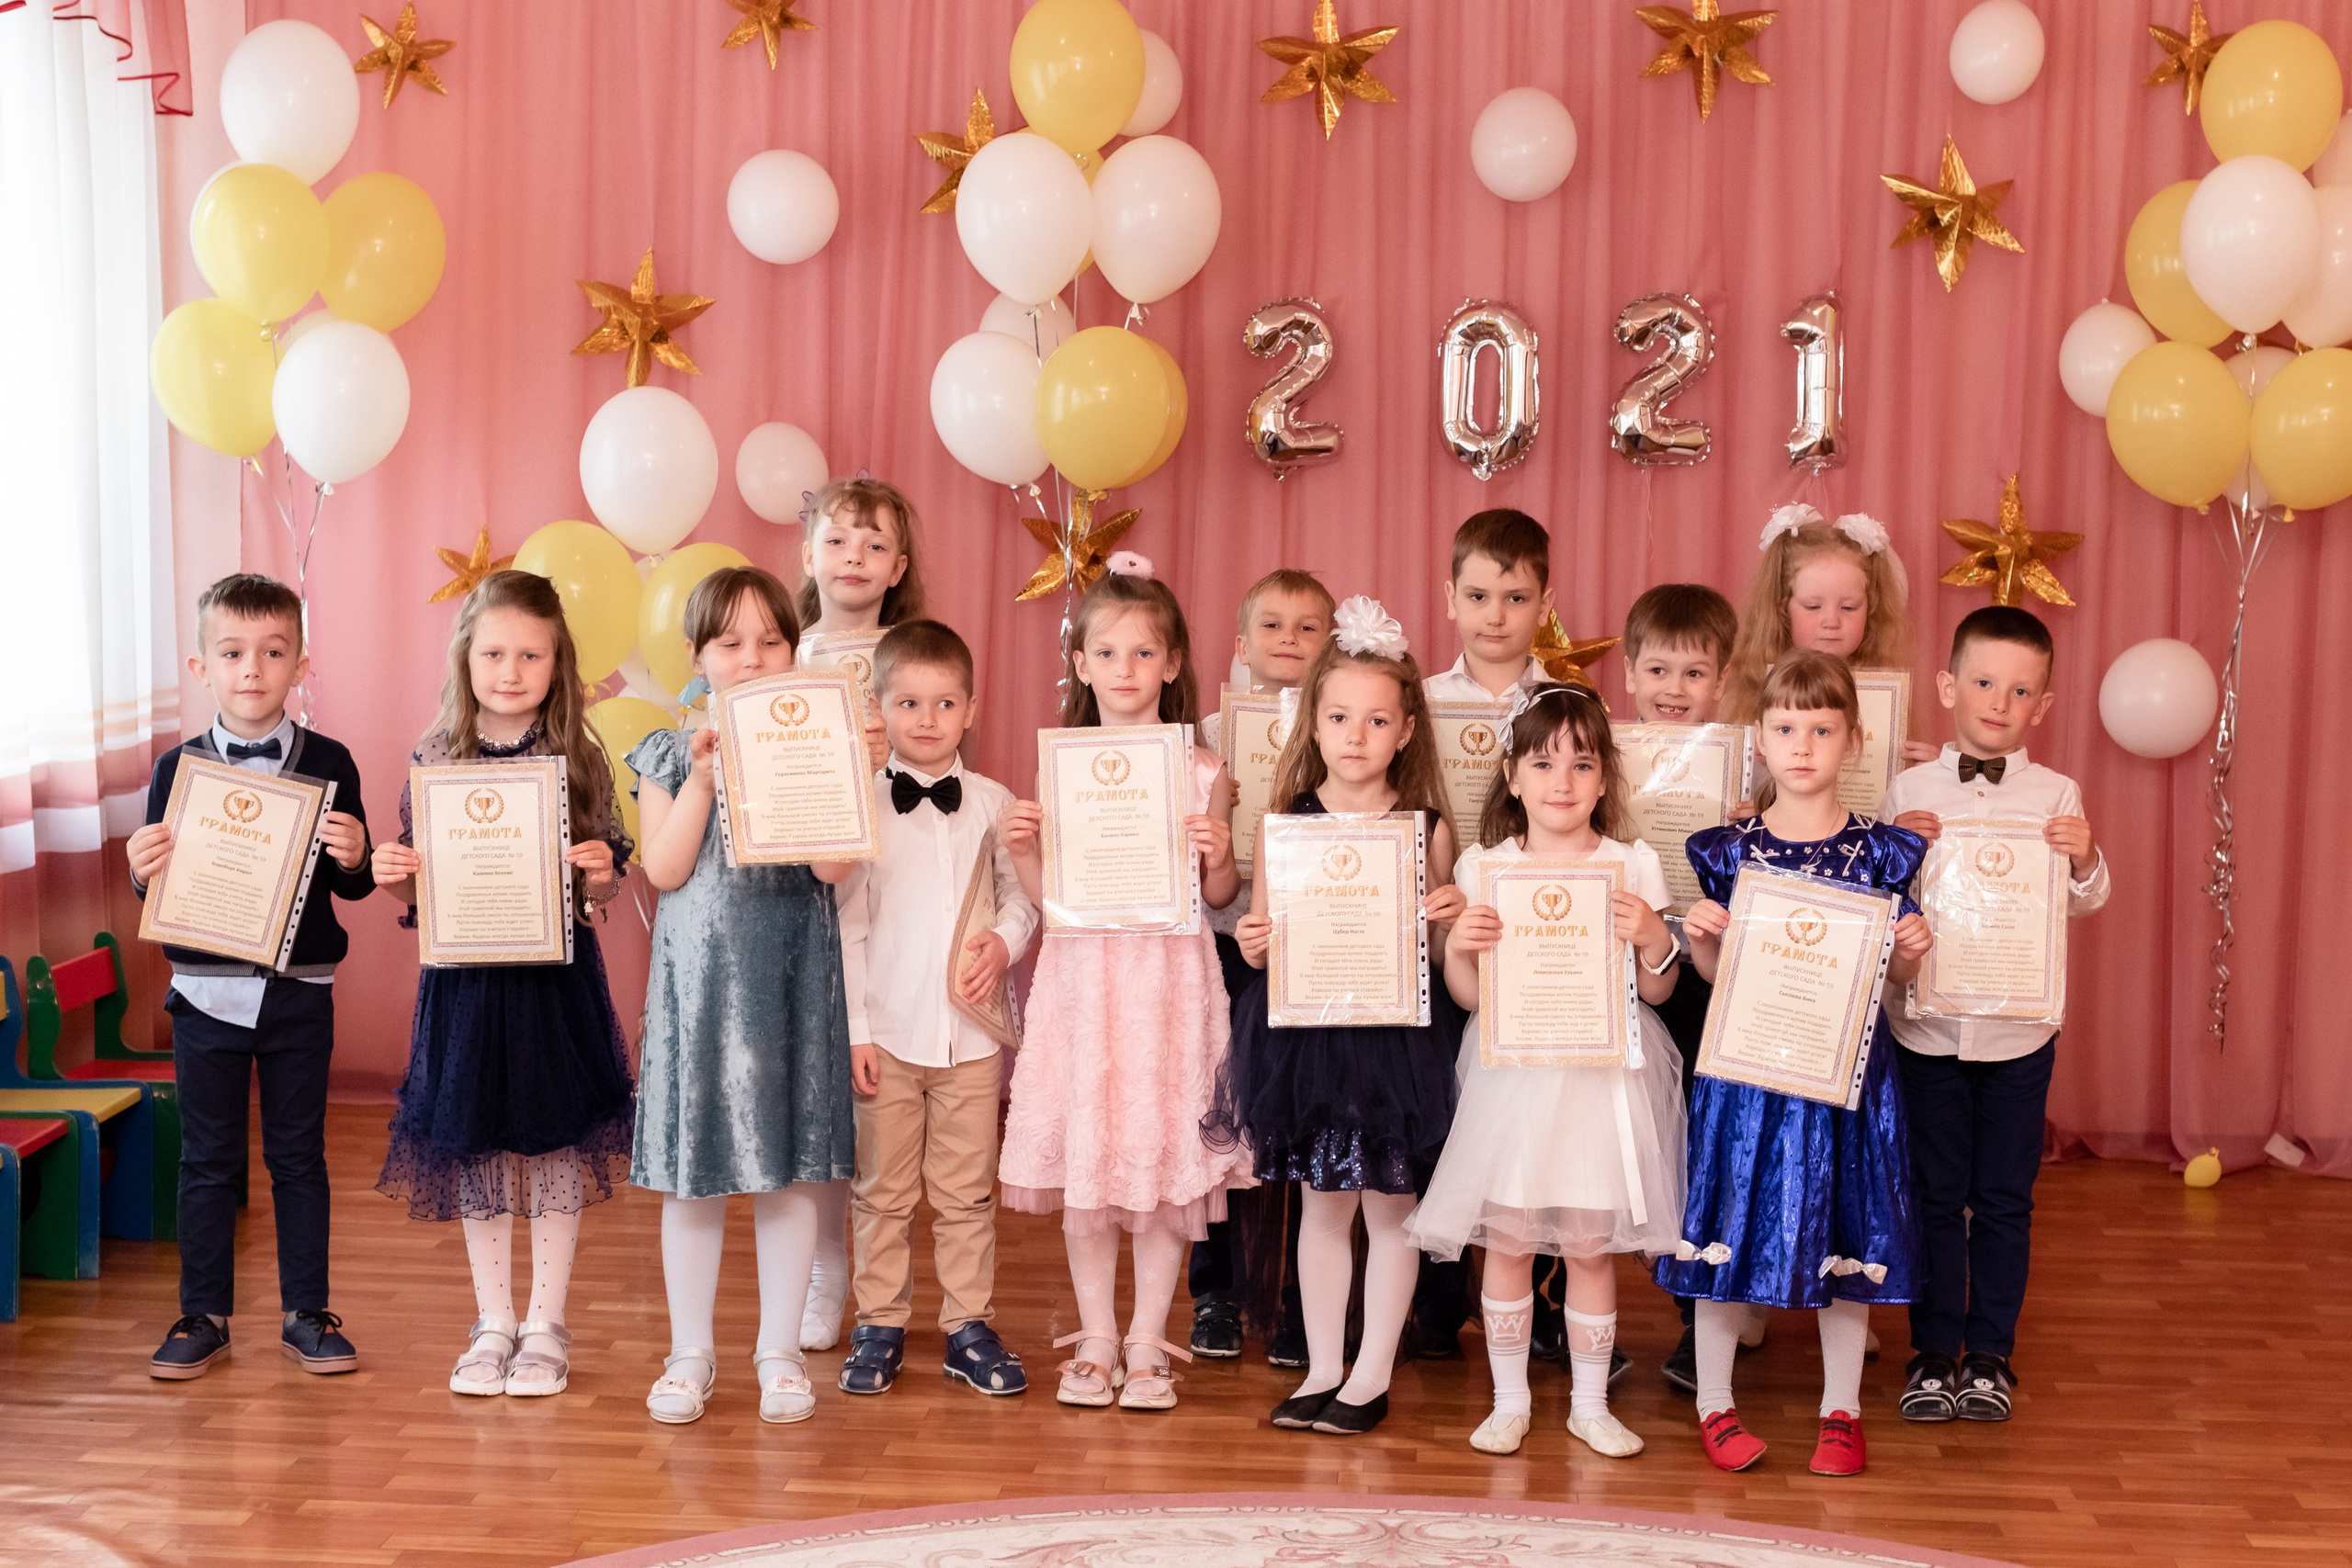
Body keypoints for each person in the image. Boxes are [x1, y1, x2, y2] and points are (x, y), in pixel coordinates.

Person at [1655, 651, 1933, 1477]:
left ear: (1852, 738)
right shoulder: (1724, 850)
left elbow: (1893, 979)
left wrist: (1912, 951)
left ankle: (1840, 1409)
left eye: (1821, 727)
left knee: (1846, 1230)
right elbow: (1713, 979)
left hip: (1847, 1079)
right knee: (1725, 1229)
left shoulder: (1886, 854)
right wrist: (1704, 938)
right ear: (1761, 740)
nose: (1803, 744)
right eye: (1785, 728)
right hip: (1745, 1078)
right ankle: (1715, 1402)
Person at [370, 570, 635, 1400]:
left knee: (552, 1147)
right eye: (494, 652)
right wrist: (394, 877)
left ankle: (547, 1325)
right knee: (477, 1146)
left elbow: (604, 890)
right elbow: (422, 893)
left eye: (531, 654)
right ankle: (492, 1322)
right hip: (466, 992)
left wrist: (597, 875)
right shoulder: (435, 754)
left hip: (552, 992)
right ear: (465, 656)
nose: (511, 669)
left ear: (558, 664)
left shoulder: (578, 757)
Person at [1210, 596, 1468, 1437]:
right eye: (1340, 716)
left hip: (1396, 1045)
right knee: (1323, 1203)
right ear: (1313, 725)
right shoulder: (1287, 826)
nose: (1356, 734)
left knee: (1390, 1205)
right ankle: (1324, 1364)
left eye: (1377, 719)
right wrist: (1253, 942)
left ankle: (1371, 1372)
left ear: (1404, 732)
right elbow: (1267, 951)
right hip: (1309, 1045)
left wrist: (1443, 921)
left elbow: (1432, 963)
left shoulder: (1426, 830)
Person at [998, 558, 1251, 1412]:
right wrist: (1026, 849)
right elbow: (1051, 904)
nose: (1126, 670)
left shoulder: (1207, 770)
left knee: (1157, 1159)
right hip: (1085, 984)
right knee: (1092, 1163)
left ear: (1174, 663)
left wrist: (1217, 853)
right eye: (1107, 653)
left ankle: (1149, 1340)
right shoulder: (1060, 765)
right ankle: (1096, 1337)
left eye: (1144, 653)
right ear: (1081, 662)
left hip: (1168, 985)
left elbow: (1217, 900)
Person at [1409, 682, 1689, 1459]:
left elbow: (1659, 988)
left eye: (1581, 763)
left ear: (1605, 779)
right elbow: (1469, 998)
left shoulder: (1632, 862)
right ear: (1512, 775)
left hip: (1604, 1086)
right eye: (1543, 762)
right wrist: (1463, 943)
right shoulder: (1484, 865)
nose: (1561, 782)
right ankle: (1508, 1401)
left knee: (1591, 1249)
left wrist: (1648, 938)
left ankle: (1591, 1405)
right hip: (1516, 1084)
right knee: (1509, 1242)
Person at [628, 567, 860, 1427]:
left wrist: (841, 774)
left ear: (796, 650)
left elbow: (835, 868)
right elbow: (663, 868)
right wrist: (701, 779)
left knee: (788, 1167)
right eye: (730, 643)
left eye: (771, 640)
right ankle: (690, 1351)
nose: (753, 658)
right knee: (695, 1176)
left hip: (791, 970)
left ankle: (780, 1350)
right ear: (697, 656)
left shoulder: (817, 740)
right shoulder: (665, 751)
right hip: (698, 985)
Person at [132, 574, 373, 1380]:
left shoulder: (331, 760)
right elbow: (162, 880)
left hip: (300, 991)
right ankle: (202, 1313)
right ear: (202, 666)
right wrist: (139, 871)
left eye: (273, 652)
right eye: (232, 653)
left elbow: (351, 888)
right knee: (207, 1159)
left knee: (299, 1155)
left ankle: (308, 1312)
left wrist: (357, 856)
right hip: (204, 993)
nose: (253, 669)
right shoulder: (176, 768)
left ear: (299, 662)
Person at [1883, 606, 2108, 1426]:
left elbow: (2082, 900)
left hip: (2019, 1032)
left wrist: (2083, 855)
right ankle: (1932, 1351)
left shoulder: (2058, 793)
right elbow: (1878, 897)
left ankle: (1990, 1356)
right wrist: (1894, 849)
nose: (1998, 702)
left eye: (2020, 690)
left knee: (2006, 1197)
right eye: (1983, 682)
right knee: (1936, 1193)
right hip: (1928, 1028)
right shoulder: (1908, 788)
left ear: (2043, 706)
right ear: (1948, 686)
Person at [833, 620, 1038, 1400]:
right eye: (909, 702)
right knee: (882, 1189)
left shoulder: (993, 801)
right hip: (886, 1034)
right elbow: (848, 926)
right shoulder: (864, 808)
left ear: (971, 709)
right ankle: (879, 1321)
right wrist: (855, 1031)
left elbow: (1023, 898)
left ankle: (967, 1325)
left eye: (944, 702)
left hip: (971, 1041)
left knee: (966, 1191)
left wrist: (1005, 942)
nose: (927, 718)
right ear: (880, 708)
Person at [793, 474, 929, 1351]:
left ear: (898, 567)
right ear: (809, 555)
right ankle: (819, 1271)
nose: (854, 558)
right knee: (815, 1095)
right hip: (802, 893)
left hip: (891, 892)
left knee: (876, 1092)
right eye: (838, 541)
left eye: (874, 546)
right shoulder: (782, 654)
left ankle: (882, 1281)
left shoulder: (914, 656)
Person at [1191, 568, 1333, 1364]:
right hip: (1221, 945)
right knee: (1217, 1123)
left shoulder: (1344, 730)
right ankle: (1213, 1289)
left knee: (1293, 1126)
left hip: (1310, 953)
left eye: (1309, 627)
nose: (1289, 640)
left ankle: (1291, 1297)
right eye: (1272, 626)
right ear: (1240, 645)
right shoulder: (1204, 738)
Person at [1619, 582, 1741, 1391]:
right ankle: (1562, 1318)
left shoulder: (1746, 767)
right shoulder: (1602, 752)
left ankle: (1701, 1324)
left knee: (1701, 1144)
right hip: (1618, 965)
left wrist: (1745, 822)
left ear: (1723, 681)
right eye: (1657, 668)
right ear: (1627, 673)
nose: (1674, 688)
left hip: (1709, 977)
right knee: (1609, 1137)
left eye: (1694, 672)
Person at [1719, 505, 1914, 726]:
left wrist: (1921, 761)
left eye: (1849, 607)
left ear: (1871, 611)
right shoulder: (1744, 701)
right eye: (1813, 607)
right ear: (1782, 609)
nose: (1831, 622)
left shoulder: (1887, 699)